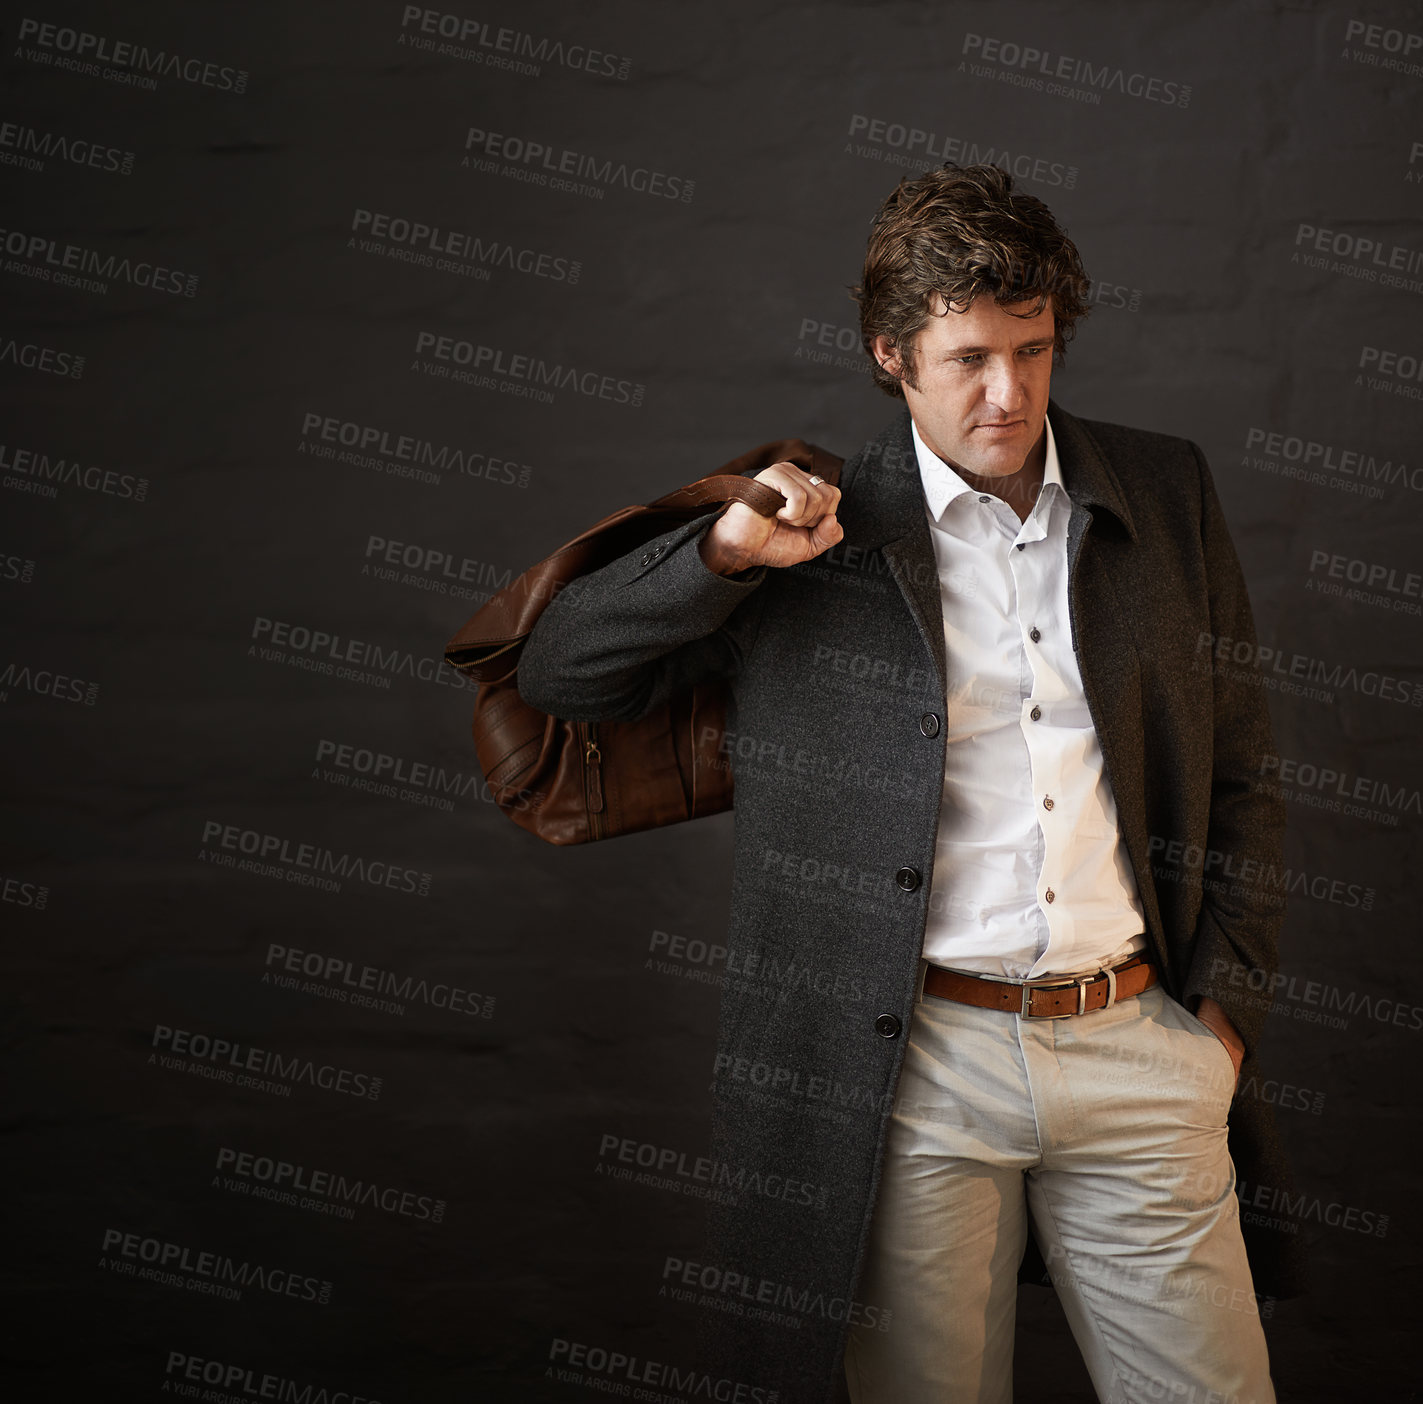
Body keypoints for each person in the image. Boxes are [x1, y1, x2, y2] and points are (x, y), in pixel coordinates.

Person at [516, 164, 1301, 1404]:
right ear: (892, 353)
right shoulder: (806, 536)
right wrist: (720, 552)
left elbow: (1247, 765)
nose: (1008, 393)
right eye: (969, 358)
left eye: (1034, 350)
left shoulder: (1162, 489)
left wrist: (1222, 1020)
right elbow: (561, 671)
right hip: (916, 1070)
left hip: (1143, 1049)